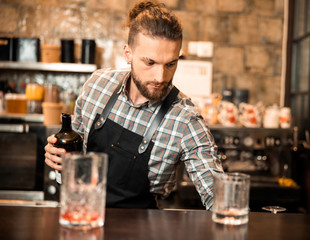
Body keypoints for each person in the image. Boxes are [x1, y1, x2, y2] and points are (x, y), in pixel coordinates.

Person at [44, 0, 224, 210]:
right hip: (83, 218)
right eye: (150, 62)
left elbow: (218, 196)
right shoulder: (97, 86)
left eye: (171, 64)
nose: (160, 76)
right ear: (128, 53)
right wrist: (60, 158)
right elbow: (75, 160)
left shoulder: (185, 119)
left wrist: (229, 211)